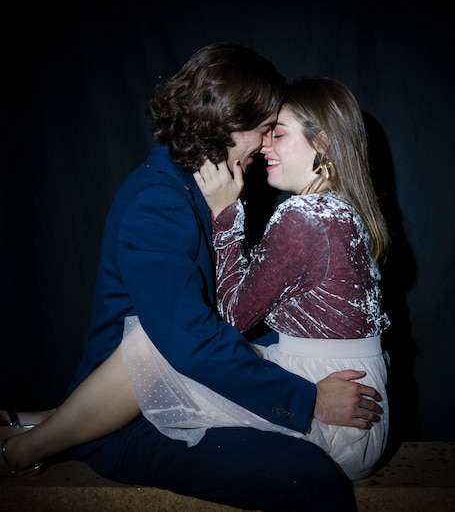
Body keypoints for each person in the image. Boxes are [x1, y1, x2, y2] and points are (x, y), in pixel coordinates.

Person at [0, 44, 383, 511]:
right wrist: (306, 400)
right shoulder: (160, 200)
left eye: (274, 132)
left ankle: (53, 422)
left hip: (173, 382)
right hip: (136, 414)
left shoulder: (197, 185)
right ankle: (46, 441)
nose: (263, 145)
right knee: (311, 478)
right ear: (229, 124)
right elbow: (189, 341)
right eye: (264, 130)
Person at [189, 77, 391, 481]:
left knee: (147, 351)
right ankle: (55, 422)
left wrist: (225, 213)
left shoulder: (304, 215)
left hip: (335, 425)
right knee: (166, 361)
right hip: (361, 415)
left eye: (277, 133)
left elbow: (231, 317)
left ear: (322, 143)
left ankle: (47, 434)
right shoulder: (344, 209)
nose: (264, 145)